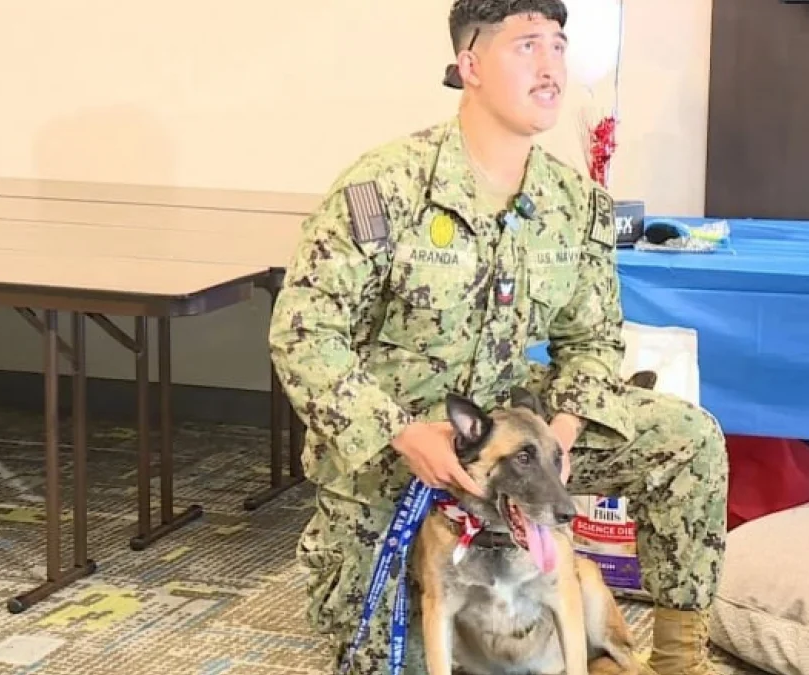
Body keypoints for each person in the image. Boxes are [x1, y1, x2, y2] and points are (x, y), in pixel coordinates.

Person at [267, 1, 728, 673]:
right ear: (470, 64)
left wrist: (561, 432)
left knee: (689, 441)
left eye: (559, 46)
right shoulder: (385, 187)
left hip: (515, 435)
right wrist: (402, 431)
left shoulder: (575, 203)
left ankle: (679, 660)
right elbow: (305, 336)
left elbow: (593, 341)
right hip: (392, 456)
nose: (551, 67)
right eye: (527, 47)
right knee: (378, 656)